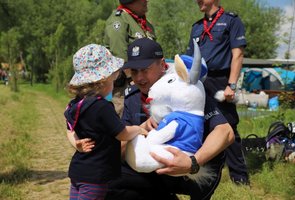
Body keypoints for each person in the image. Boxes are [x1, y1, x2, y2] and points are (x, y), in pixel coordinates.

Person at [102, 38, 235, 200]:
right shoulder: (132, 97)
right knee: (110, 181)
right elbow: (120, 149)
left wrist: (192, 162)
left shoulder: (187, 88)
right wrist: (140, 129)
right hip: (155, 167)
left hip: (196, 169)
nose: (139, 78)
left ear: (162, 64)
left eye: (145, 69)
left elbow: (226, 132)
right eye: (134, 71)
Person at [64, 44, 148, 200]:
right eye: (113, 79)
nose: (114, 84)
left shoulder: (75, 104)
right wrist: (138, 129)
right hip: (95, 176)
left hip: (78, 170)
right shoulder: (102, 107)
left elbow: (70, 129)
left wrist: (76, 144)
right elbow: (122, 134)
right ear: (102, 80)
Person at [186, 0, 249, 185]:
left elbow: (237, 54)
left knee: (228, 127)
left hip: (222, 81)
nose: (197, 1)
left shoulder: (231, 21)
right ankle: (206, 174)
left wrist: (232, 85)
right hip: (200, 81)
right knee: (201, 125)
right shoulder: (196, 27)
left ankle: (240, 179)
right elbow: (190, 58)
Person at [104, 0, 156, 86]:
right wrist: (132, 80)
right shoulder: (119, 20)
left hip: (147, 82)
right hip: (128, 86)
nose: (147, 1)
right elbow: (119, 56)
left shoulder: (144, 23)